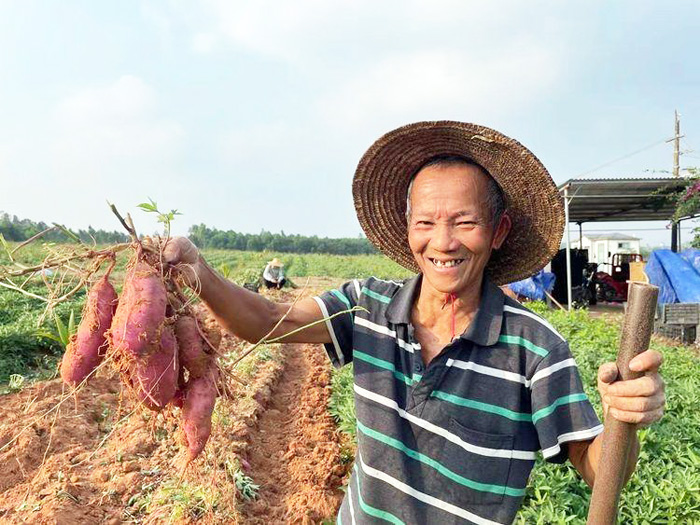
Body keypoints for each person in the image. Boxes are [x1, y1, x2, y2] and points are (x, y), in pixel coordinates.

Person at [165, 121, 665, 524]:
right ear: (408, 230)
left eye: (464, 222)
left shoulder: (536, 348)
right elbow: (270, 320)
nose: (442, 242)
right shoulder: (368, 306)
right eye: (425, 222)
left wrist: (625, 419)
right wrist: (199, 271)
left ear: (498, 232)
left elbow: (599, 473)